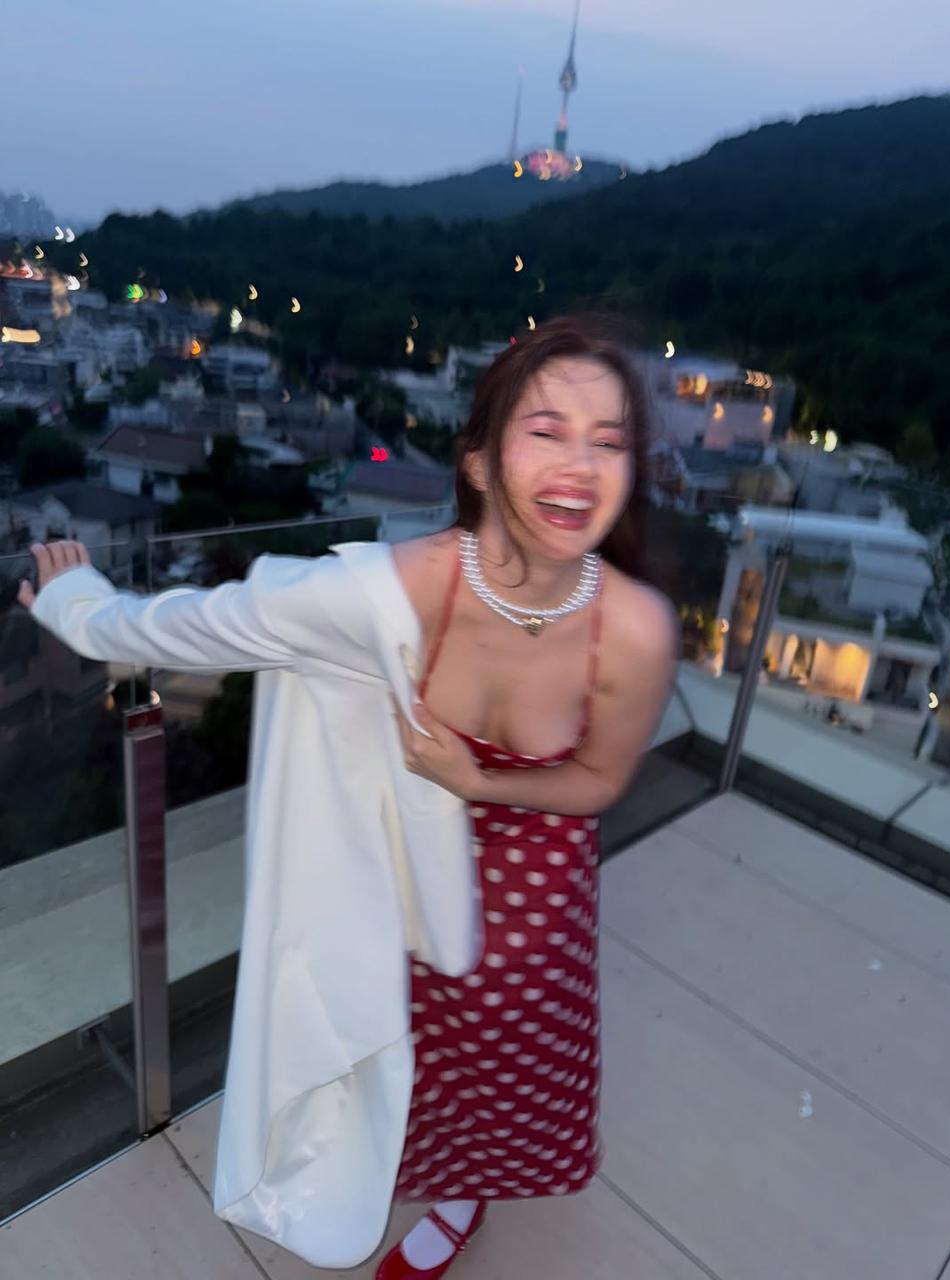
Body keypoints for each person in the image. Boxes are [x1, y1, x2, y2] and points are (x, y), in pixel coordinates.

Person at [20, 316, 678, 1278]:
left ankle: (464, 1195)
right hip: (389, 874)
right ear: (480, 462)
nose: (580, 464)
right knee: (394, 1048)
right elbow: (203, 624)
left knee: (509, 1062)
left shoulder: (634, 628)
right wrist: (78, 607)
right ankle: (395, 1171)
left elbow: (602, 779)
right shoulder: (392, 593)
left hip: (539, 897)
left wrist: (477, 778)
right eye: (546, 430)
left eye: (608, 440)